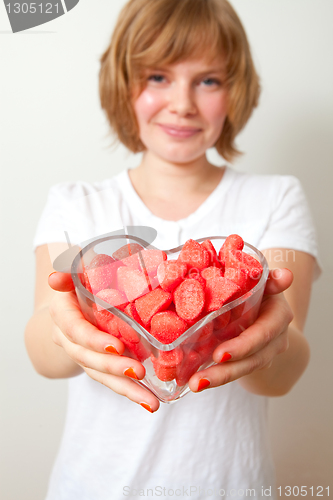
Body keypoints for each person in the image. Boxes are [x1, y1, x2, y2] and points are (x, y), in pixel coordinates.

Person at [25, 0, 320, 498]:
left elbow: (281, 375)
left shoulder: (277, 197)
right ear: (123, 84)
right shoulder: (75, 204)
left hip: (228, 485)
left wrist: (267, 336)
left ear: (236, 92)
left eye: (208, 80)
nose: (182, 102)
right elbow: (42, 352)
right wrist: (64, 325)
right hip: (94, 484)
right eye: (158, 76)